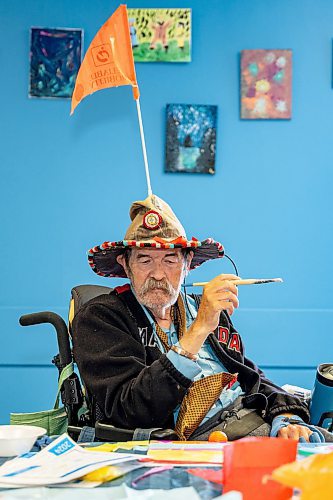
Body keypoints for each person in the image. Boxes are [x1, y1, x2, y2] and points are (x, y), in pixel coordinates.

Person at [72, 195, 333, 442]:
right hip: (193, 443)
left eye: (170, 261)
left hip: (251, 421)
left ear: (187, 266)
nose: (159, 274)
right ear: (125, 264)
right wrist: (199, 330)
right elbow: (129, 409)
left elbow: (248, 375)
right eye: (145, 260)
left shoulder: (203, 307)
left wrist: (286, 416)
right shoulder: (102, 317)